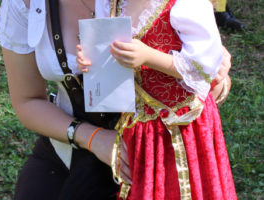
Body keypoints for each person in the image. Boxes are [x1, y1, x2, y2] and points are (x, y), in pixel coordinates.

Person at [0, 0, 233, 199]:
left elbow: (206, 68)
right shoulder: (25, 5)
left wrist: (217, 85)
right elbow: (27, 100)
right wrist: (94, 139)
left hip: (151, 147)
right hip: (70, 142)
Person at [78, 0, 236, 199]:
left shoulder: (186, 4)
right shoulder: (111, 3)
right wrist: (93, 60)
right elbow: (107, 51)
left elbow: (204, 68)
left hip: (182, 128)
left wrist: (150, 57)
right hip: (138, 129)